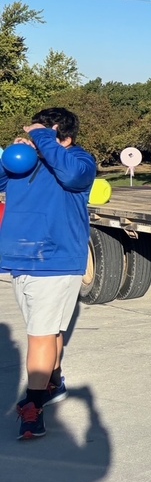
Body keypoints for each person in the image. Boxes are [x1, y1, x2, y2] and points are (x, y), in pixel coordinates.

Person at [0, 107, 96, 440]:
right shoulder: (27, 160)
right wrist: (10, 155)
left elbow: (71, 177)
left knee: (39, 334)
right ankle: (53, 382)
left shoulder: (80, 161)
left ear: (59, 134)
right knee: (46, 329)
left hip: (55, 261)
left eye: (41, 133)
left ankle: (34, 405)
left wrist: (42, 135)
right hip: (20, 260)